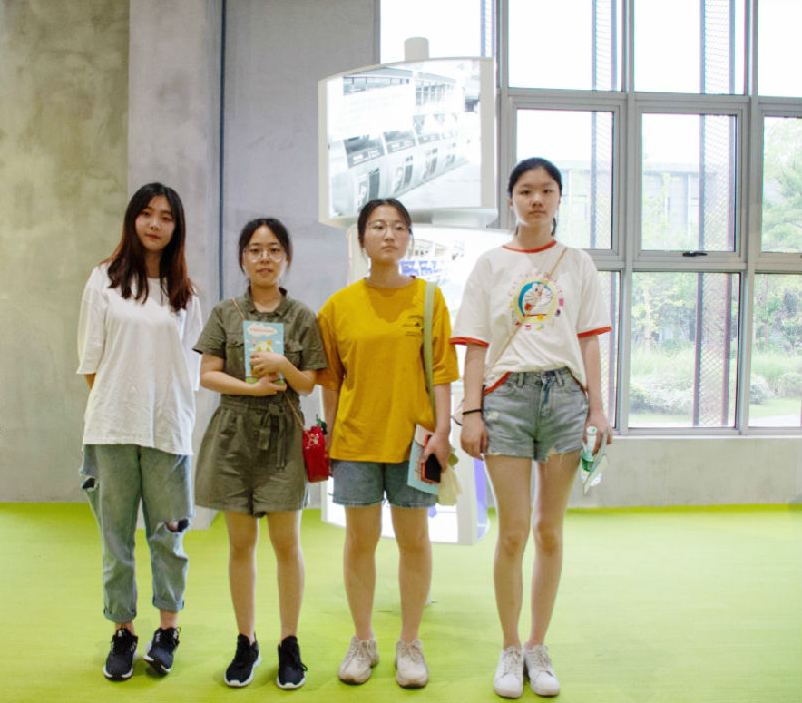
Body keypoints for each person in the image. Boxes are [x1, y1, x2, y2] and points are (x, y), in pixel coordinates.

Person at [452, 157, 612, 699]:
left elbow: (589, 341)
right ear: (511, 200)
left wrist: (597, 409)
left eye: (546, 190)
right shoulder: (490, 265)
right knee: (514, 531)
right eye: (525, 190)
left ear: (560, 198)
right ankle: (509, 646)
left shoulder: (578, 263)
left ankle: (538, 645)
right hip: (506, 400)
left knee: (549, 530)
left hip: (566, 398)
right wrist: (471, 413)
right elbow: (475, 348)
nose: (536, 199)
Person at [317, 198, 459, 689]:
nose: (389, 234)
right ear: (361, 239)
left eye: (399, 227)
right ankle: (363, 640)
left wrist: (443, 433)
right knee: (360, 542)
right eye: (378, 226)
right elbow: (330, 380)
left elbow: (442, 373)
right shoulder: (338, 307)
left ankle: (410, 642)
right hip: (355, 442)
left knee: (414, 541)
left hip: (414, 443)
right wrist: (331, 434)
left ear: (408, 238)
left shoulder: (428, 299)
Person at [194, 218, 326, 690]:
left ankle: (289, 643)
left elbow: (309, 383)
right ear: (242, 259)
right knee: (240, 544)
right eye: (254, 249)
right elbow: (208, 374)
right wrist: (250, 388)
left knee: (287, 544)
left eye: (273, 249)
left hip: (283, 435)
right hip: (233, 434)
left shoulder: (302, 316)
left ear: (286, 257)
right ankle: (246, 640)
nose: (264, 258)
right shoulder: (225, 313)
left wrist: (283, 364)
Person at [76, 182, 202, 681]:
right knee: (116, 540)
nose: (155, 224)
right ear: (133, 220)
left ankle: (167, 631)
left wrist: (159, 410)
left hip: (168, 431)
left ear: (176, 228)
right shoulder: (103, 281)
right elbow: (90, 361)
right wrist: (122, 405)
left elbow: (189, 371)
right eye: (147, 213)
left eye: (166, 217)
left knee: (169, 538)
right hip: (111, 430)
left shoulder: (185, 293)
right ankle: (123, 632)